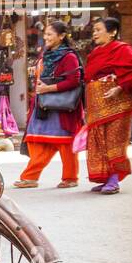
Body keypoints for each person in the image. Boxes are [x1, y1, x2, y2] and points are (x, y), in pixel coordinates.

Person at [14, 20, 83, 189]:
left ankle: (70, 177)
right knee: (37, 140)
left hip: (60, 107)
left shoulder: (69, 56)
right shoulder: (46, 53)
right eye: (45, 34)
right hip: (43, 105)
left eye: (50, 34)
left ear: (62, 36)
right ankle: (30, 177)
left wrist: (49, 88)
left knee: (64, 143)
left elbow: (74, 80)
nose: (46, 37)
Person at [83, 16, 132, 195]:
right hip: (97, 104)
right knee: (100, 141)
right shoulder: (95, 53)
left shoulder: (123, 49)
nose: (94, 34)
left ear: (112, 32)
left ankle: (114, 179)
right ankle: (105, 177)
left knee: (114, 140)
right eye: (93, 30)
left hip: (117, 102)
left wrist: (119, 88)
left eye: (98, 30)